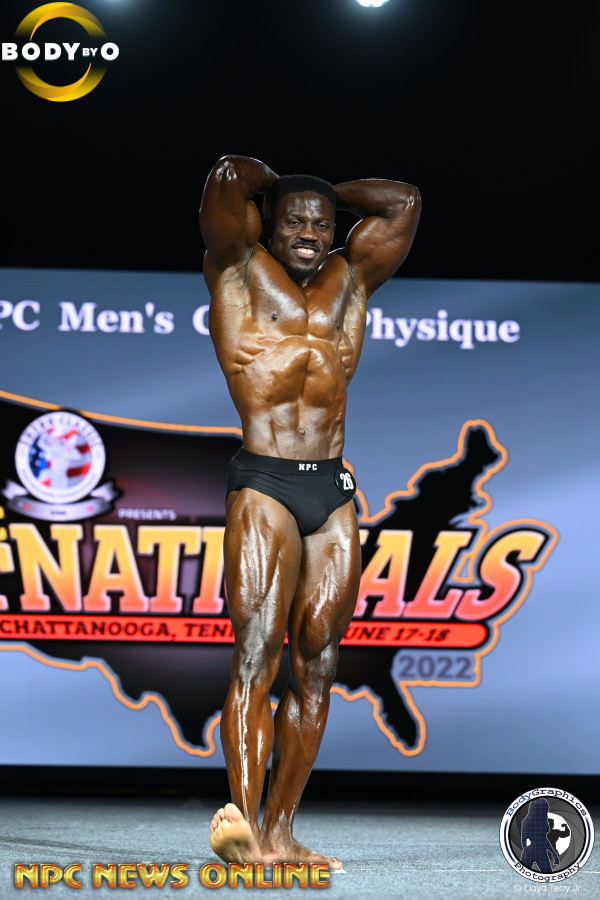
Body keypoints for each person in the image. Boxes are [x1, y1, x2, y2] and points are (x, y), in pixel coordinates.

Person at [199, 155, 420, 868]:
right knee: (257, 653)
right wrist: (279, 187)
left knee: (319, 663)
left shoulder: (350, 279)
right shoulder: (236, 267)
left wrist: (321, 190)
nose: (309, 231)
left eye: (321, 224)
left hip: (332, 486)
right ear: (268, 223)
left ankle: (281, 831)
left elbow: (403, 202)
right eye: (294, 219)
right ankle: (242, 829)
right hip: (264, 479)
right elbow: (227, 177)